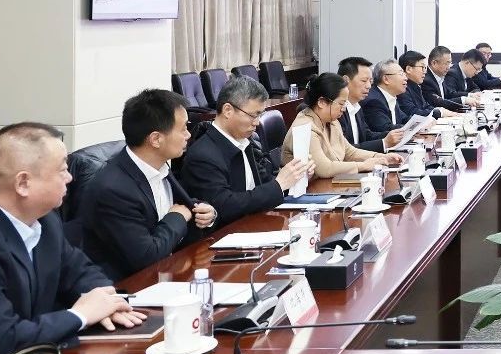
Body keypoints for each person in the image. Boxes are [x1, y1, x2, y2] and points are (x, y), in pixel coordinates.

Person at [0, 123, 145, 354]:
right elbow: (0, 341)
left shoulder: (45, 220)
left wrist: (108, 303)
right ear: (23, 183)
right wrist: (80, 315)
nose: (70, 177)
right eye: (62, 170)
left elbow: (80, 271)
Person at [80, 90, 217, 281]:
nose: (188, 135)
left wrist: (207, 213)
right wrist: (177, 217)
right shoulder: (114, 190)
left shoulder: (159, 166)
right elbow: (146, 256)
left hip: (169, 272)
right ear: (155, 139)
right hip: (129, 286)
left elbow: (182, 206)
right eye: (183, 128)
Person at [180, 76, 312, 229]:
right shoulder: (203, 155)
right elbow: (225, 205)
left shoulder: (246, 141)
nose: (257, 122)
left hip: (257, 225)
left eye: (260, 115)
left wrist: (296, 176)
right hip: (227, 234)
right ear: (228, 110)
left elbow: (265, 184)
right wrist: (279, 184)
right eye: (253, 115)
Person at [284, 73, 403, 177]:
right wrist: (363, 165)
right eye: (341, 104)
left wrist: (379, 157)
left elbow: (349, 152)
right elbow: (324, 169)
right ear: (322, 102)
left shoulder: (332, 121)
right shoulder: (305, 128)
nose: (344, 109)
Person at [337, 57, 404, 152]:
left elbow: (367, 135)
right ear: (345, 80)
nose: (369, 86)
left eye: (370, 81)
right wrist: (384, 143)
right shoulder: (337, 110)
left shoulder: (356, 106)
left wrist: (393, 135)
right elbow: (345, 150)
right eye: (364, 81)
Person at [363, 59, 412, 132]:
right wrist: (412, 127)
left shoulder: (391, 96)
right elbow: (385, 128)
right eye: (401, 74)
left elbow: (404, 119)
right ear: (386, 79)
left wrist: (422, 122)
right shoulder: (373, 101)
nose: (406, 78)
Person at [397, 50, 449, 119]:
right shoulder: (402, 87)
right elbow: (411, 112)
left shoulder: (415, 86)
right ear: (408, 69)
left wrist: (440, 110)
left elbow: (425, 106)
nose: (425, 71)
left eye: (425, 68)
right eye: (422, 67)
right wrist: (440, 113)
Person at [423, 45, 475, 111]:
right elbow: (438, 103)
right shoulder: (426, 80)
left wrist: (469, 96)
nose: (449, 67)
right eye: (446, 63)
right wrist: (463, 100)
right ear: (434, 63)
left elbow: (449, 94)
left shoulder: (440, 76)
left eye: (450, 63)